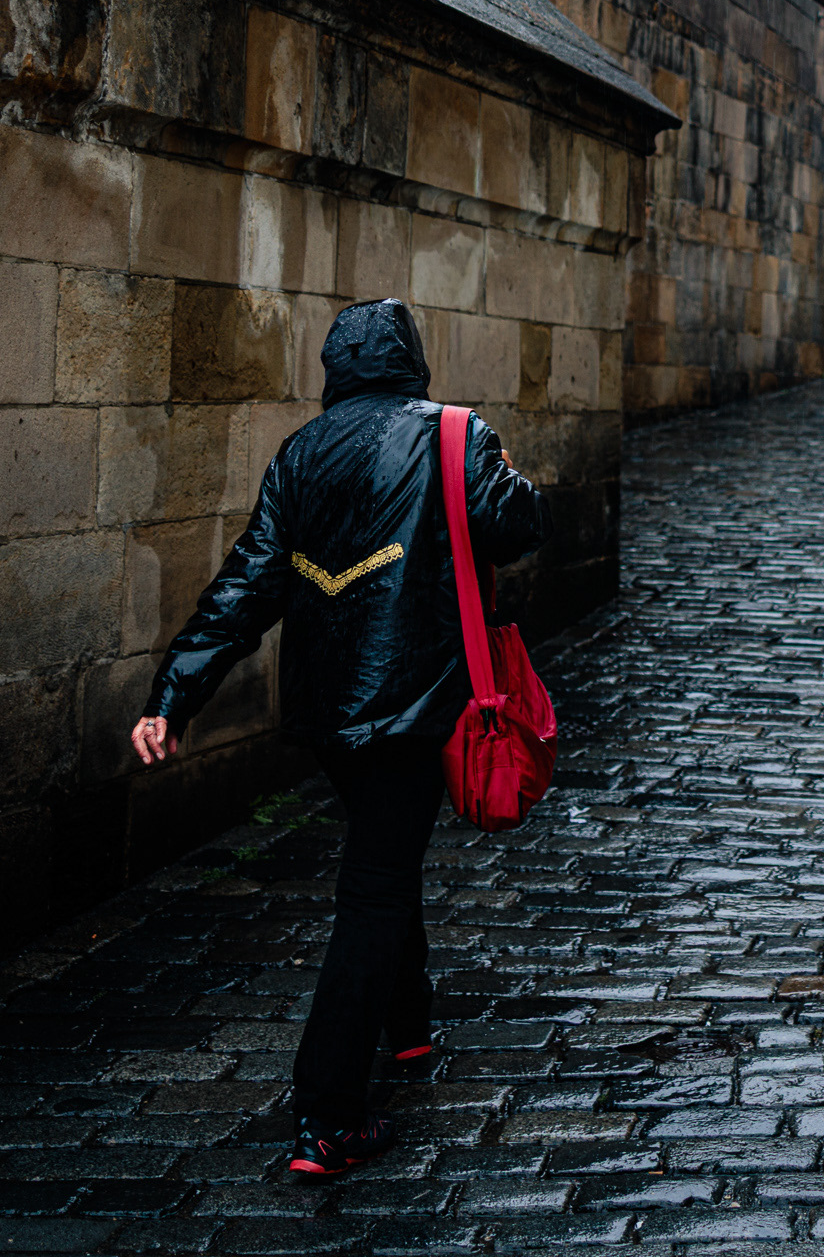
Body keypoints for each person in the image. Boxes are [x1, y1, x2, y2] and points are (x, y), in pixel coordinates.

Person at [131, 299, 548, 1177]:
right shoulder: (456, 433)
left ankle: (407, 1028)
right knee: (375, 887)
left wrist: (174, 694)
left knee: (382, 858)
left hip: (330, 715)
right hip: (412, 705)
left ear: (337, 368)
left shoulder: (299, 453)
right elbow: (515, 528)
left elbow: (246, 584)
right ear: (411, 361)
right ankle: (328, 1115)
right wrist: (507, 470)